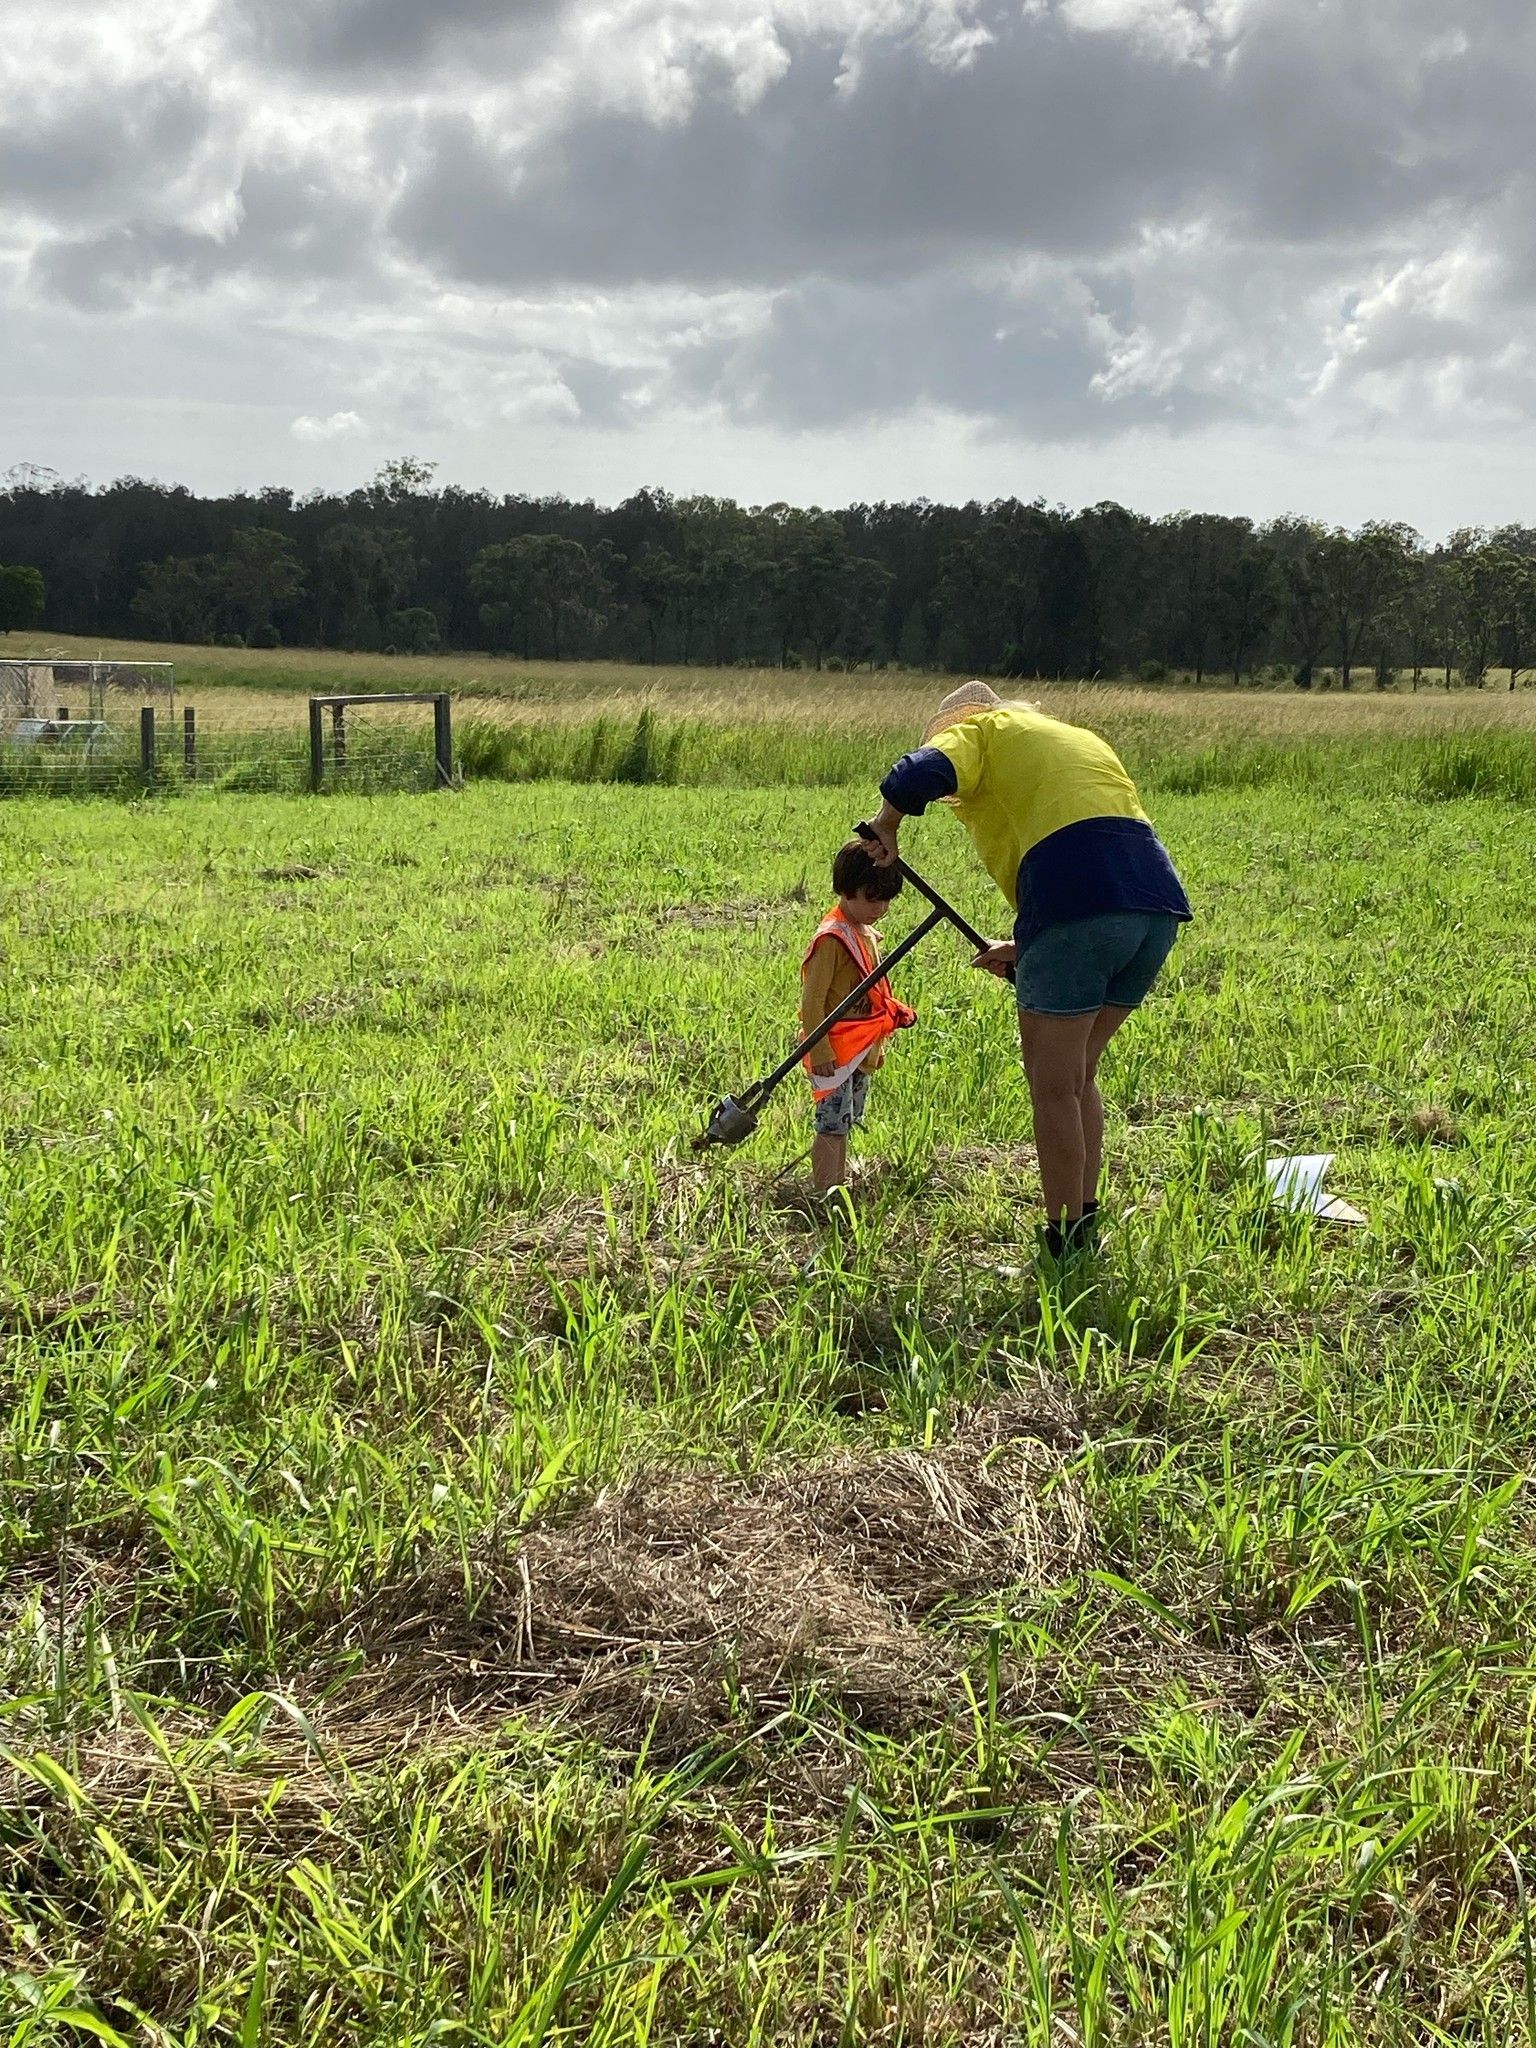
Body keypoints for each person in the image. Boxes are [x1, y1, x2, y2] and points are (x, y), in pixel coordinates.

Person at [865, 681, 1190, 1261]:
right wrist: (1027, 941)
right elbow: (1098, 842)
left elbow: (918, 772)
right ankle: (1084, 1227)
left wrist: (886, 824)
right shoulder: (1073, 738)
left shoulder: (981, 734)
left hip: (1075, 909)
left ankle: (1065, 1244)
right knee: (1080, 1074)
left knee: (1053, 1085)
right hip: (1153, 909)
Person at [800, 839, 916, 1193]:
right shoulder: (832, 939)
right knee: (831, 1125)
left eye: (886, 900)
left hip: (860, 1049)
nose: (879, 908)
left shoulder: (865, 933)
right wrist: (819, 1051)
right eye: (871, 898)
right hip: (834, 1052)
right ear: (845, 890)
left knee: (845, 1122)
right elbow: (812, 1001)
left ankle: (837, 1187)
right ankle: (825, 1193)